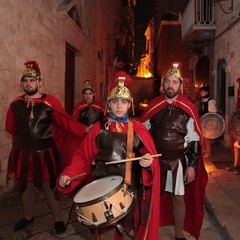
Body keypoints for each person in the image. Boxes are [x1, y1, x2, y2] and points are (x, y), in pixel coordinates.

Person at [57, 77, 160, 239]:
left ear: (129, 105)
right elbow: (82, 157)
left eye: (124, 102)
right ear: (108, 104)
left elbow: (149, 157)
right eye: (115, 101)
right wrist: (69, 173)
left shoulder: (138, 129)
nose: (119, 106)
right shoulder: (98, 129)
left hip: (130, 190)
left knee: (129, 233)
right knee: (107, 234)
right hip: (103, 193)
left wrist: (147, 163)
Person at [5, 61, 87, 234]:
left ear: (39, 82)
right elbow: (10, 127)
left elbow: (66, 122)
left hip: (46, 154)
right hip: (23, 153)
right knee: (25, 186)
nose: (28, 83)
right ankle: (28, 216)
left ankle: (58, 219)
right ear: (22, 83)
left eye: (32, 80)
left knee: (50, 186)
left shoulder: (50, 102)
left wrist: (87, 130)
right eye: (25, 80)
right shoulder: (15, 104)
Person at [140, 63, 208, 240]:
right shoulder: (154, 106)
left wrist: (192, 166)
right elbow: (143, 133)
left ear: (180, 85)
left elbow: (194, 140)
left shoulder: (188, 108)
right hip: (156, 162)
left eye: (175, 82)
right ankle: (149, 231)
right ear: (163, 84)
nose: (171, 85)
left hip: (178, 161)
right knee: (153, 198)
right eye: (168, 82)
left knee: (178, 197)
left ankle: (179, 234)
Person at [198, 86, 217, 157]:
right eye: (200, 92)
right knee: (203, 136)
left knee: (206, 137)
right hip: (203, 120)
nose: (201, 93)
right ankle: (205, 150)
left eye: (202, 92)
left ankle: (208, 152)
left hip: (208, 121)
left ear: (206, 92)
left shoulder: (211, 100)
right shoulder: (203, 100)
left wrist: (211, 122)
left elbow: (213, 112)